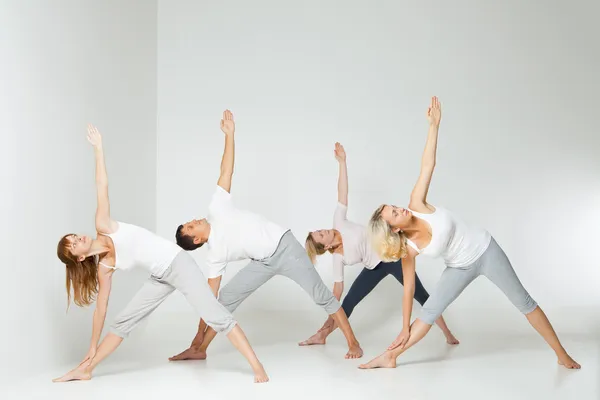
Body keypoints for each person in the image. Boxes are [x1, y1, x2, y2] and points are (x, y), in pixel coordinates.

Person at [359, 97, 580, 370]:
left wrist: (434, 127)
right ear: (393, 229)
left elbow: (428, 165)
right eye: (394, 213)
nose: (399, 209)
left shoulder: (417, 203)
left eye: (394, 206)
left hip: (486, 250)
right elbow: (409, 290)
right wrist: (404, 327)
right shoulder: (409, 250)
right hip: (459, 267)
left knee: (524, 301)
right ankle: (390, 356)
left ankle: (561, 353)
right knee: (428, 313)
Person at [53, 124, 269, 383]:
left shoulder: (103, 225)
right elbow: (101, 308)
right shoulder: (105, 266)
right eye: (74, 244)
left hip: (178, 263)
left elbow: (102, 184)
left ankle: (257, 366)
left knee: (216, 315)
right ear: (79, 258)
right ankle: (86, 369)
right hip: (160, 276)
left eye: (74, 237)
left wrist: (98, 149)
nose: (79, 238)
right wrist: (91, 346)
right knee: (123, 322)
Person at [169, 110, 363, 362]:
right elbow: (210, 299)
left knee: (321, 296)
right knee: (225, 299)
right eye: (190, 227)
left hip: (285, 247)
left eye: (189, 222)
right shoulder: (215, 254)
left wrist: (230, 135)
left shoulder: (216, 207)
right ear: (196, 240)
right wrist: (198, 332)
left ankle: (353, 342)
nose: (193, 221)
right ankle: (200, 348)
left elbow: (226, 171)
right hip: (262, 261)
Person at [299, 143, 459, 346]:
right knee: (348, 302)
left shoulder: (338, 221)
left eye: (320, 230)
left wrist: (342, 163)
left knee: (422, 296)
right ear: (327, 247)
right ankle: (322, 335)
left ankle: (447, 333)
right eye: (321, 235)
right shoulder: (338, 259)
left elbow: (342, 193)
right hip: (373, 268)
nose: (324, 230)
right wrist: (327, 320)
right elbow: (337, 293)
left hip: (392, 257)